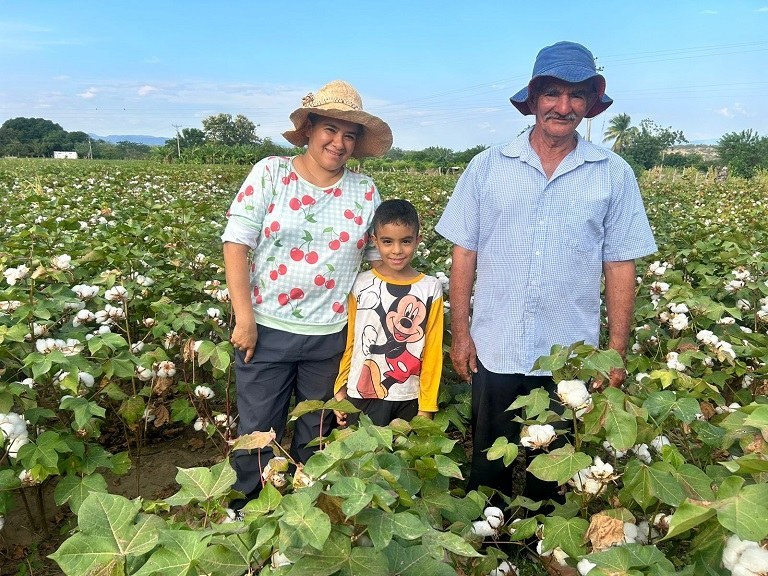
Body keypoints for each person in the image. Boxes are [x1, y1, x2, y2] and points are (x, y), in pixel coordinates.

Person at [435, 41, 657, 503]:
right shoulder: (488, 166)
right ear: (533, 99)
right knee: (491, 460)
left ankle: (544, 543)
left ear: (590, 105)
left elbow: (620, 264)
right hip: (496, 342)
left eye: (577, 95)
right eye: (552, 93)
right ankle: (491, 537)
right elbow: (464, 254)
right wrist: (461, 331)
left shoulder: (613, 174)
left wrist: (614, 352)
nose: (563, 106)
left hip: (568, 352)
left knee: (555, 466)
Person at [221, 80, 393, 510]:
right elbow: (236, 244)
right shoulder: (271, 173)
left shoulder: (365, 190)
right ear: (310, 127)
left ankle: (301, 515)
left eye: (349, 135)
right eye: (330, 130)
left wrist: (416, 297)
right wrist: (244, 319)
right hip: (266, 329)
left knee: (315, 431)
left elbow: (378, 261)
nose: (339, 143)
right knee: (259, 431)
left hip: (331, 335)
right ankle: (247, 512)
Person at [333, 199, 444, 427]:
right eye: (387, 241)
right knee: (361, 459)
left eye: (405, 241)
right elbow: (352, 341)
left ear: (417, 241)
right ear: (375, 241)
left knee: (403, 460)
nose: (396, 250)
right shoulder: (361, 283)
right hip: (360, 392)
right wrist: (340, 387)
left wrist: (427, 405)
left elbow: (433, 349)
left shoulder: (430, 288)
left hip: (408, 394)